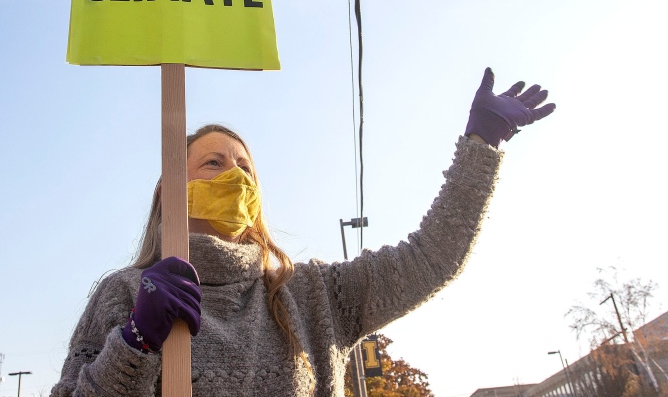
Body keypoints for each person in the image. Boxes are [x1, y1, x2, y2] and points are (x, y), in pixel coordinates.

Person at [50, 68, 555, 397]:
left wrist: (482, 144)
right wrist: (136, 341)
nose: (237, 175)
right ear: (171, 187)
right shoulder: (121, 294)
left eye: (246, 168)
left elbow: (432, 257)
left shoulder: (314, 297)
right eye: (214, 162)